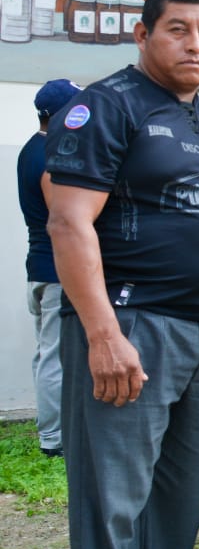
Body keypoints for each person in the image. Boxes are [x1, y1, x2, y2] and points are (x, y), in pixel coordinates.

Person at [46, 0, 199, 549]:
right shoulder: (106, 106)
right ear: (143, 34)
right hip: (131, 324)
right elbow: (69, 223)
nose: (196, 44)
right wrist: (104, 333)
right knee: (114, 497)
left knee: (179, 491)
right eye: (178, 29)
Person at [20, 78, 80, 458]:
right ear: (60, 115)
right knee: (55, 356)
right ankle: (54, 438)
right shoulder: (50, 158)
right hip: (55, 272)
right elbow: (63, 221)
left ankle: (53, 430)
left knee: (47, 354)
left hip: (39, 270)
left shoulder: (32, 148)